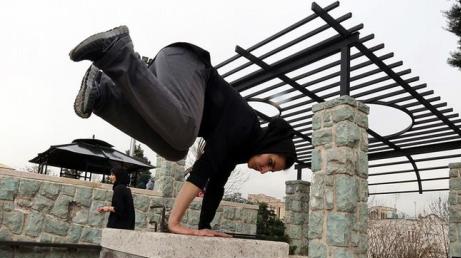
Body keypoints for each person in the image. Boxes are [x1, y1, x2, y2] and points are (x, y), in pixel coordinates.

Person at [70, 26, 297, 237]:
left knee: (175, 151)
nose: (265, 170)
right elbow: (203, 168)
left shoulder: (239, 150)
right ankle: (117, 52)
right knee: (185, 134)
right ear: (268, 145)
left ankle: (102, 95)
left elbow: (216, 186)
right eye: (270, 162)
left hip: (167, 75)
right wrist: (174, 223)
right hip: (185, 62)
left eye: (271, 170)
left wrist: (204, 227)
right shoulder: (246, 126)